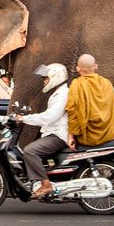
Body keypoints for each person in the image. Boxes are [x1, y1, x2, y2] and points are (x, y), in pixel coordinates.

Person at [14, 63, 71, 200]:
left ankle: (45, 184)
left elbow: (49, 116)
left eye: (46, 78)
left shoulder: (62, 94)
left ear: (55, 78)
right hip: (53, 132)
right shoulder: (58, 93)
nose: (44, 81)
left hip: (58, 135)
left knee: (30, 151)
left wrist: (25, 118)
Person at [65, 54, 114, 147]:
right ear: (96, 66)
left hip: (88, 138)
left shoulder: (76, 85)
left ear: (77, 69)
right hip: (110, 134)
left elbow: (72, 112)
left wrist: (70, 137)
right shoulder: (107, 83)